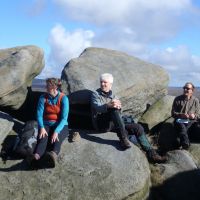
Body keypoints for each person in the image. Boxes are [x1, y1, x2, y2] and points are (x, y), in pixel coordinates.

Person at [90, 73, 167, 163]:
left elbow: (119, 112)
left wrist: (119, 107)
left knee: (138, 127)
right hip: (101, 123)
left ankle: (152, 154)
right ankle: (123, 139)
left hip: (113, 124)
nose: (102, 84)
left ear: (110, 84)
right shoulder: (95, 94)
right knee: (113, 110)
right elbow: (97, 107)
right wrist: (108, 105)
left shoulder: (114, 95)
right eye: (101, 82)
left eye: (105, 82)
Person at [27, 78, 69, 168]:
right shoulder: (43, 98)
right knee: (42, 138)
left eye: (48, 85)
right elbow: (39, 115)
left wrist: (56, 131)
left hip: (61, 124)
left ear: (54, 87)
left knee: (57, 138)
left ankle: (52, 156)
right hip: (46, 123)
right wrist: (41, 127)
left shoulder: (63, 98)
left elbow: (64, 118)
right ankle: (36, 157)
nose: (46, 87)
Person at [171, 82, 200, 150]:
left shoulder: (195, 100)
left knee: (195, 128)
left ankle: (183, 142)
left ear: (192, 90)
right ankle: (185, 144)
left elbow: (198, 114)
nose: (185, 89)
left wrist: (194, 116)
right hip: (180, 120)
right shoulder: (177, 99)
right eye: (184, 88)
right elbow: (173, 113)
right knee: (182, 126)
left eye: (187, 88)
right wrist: (181, 115)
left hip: (191, 121)